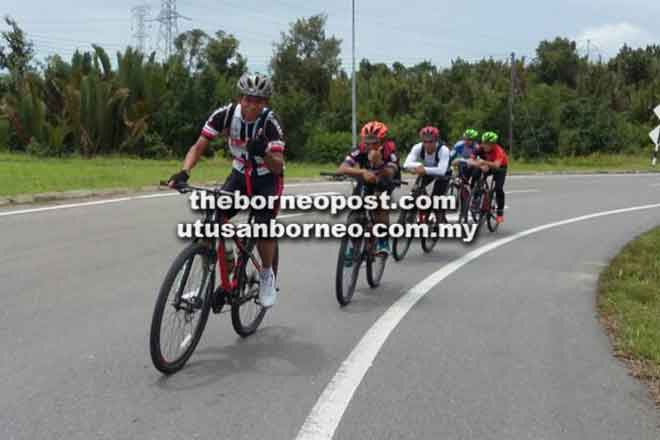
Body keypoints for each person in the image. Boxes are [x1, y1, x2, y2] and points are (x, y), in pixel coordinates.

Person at [167, 72, 285, 308]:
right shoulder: (226, 115)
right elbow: (199, 145)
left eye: (258, 100)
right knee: (211, 222)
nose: (252, 105)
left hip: (266, 179)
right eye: (248, 99)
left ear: (265, 103)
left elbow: (278, 165)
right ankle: (211, 278)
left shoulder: (270, 123)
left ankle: (266, 276)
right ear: (240, 98)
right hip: (239, 175)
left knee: (263, 227)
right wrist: (184, 171)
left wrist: (264, 153)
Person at [337, 121, 399, 256]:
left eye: (375, 143)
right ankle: (354, 246)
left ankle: (383, 242)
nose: (370, 146)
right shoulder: (359, 150)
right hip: (365, 179)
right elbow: (342, 168)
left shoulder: (390, 151)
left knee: (379, 205)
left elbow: (390, 173)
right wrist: (362, 172)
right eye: (367, 142)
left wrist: (378, 162)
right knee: (355, 209)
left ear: (382, 142)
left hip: (384, 180)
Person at [403, 126, 451, 220]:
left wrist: (423, 169)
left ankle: (439, 220)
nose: (427, 144)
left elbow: (441, 170)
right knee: (415, 192)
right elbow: (406, 164)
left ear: (436, 141)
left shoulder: (443, 150)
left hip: (443, 174)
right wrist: (418, 165)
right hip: (426, 171)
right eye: (425, 141)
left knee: (436, 199)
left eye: (431, 141)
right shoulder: (417, 147)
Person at [472, 131, 508, 224]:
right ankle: (476, 197)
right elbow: (472, 159)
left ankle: (500, 212)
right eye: (483, 142)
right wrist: (479, 165)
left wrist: (483, 162)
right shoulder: (480, 148)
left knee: (498, 188)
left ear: (493, 144)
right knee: (476, 173)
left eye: (487, 144)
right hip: (487, 165)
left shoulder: (498, 151)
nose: (484, 145)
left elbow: (496, 165)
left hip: (500, 168)